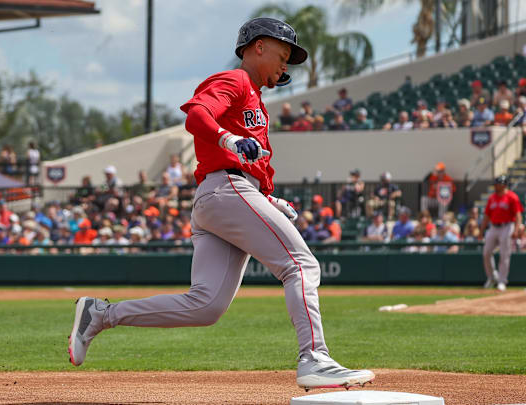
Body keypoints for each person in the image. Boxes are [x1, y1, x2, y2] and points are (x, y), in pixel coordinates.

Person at [66, 17, 374, 391]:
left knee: (206, 305)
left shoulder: (256, 98)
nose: (286, 63)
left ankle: (101, 314)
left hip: (223, 195)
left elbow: (248, 164)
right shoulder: (236, 80)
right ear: (258, 46)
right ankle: (315, 358)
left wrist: (269, 199)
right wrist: (227, 140)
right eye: (283, 53)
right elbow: (197, 115)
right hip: (225, 189)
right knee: (300, 264)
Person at [478, 175, 523, 292]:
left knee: (504, 255)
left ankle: (502, 281)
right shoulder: (492, 198)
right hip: (493, 226)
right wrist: (481, 231)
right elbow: (487, 216)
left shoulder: (512, 197)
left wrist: (516, 230)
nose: (495, 186)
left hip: (507, 226)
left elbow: (518, 215)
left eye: (498, 184)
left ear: (504, 185)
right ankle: (492, 277)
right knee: (486, 253)